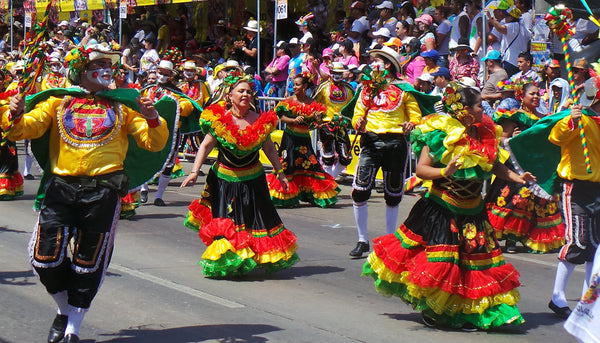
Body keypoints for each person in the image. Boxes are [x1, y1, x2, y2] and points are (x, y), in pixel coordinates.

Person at [1, 45, 171, 343]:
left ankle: (73, 327)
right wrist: (15, 113)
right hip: (61, 188)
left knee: (88, 260)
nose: (107, 68)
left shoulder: (123, 106)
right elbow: (23, 130)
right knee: (44, 257)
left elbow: (153, 143)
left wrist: (153, 116)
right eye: (99, 63)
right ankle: (64, 308)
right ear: (81, 70)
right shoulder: (58, 102)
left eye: (109, 64)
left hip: (103, 191)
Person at [363, 83, 533, 331]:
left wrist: (518, 177)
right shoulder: (440, 132)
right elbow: (422, 169)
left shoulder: (485, 131)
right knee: (446, 263)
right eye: (478, 105)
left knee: (473, 264)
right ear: (464, 109)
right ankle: (437, 308)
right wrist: (446, 170)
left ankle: (470, 311)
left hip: (473, 210)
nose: (482, 108)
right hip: (442, 207)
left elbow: (494, 164)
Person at [180, 74, 299, 277]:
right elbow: (206, 146)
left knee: (254, 219)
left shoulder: (260, 120)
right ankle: (229, 260)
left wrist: (281, 173)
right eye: (240, 91)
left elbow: (269, 149)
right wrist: (194, 171)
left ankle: (248, 257)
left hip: (253, 180)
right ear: (229, 95)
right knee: (228, 220)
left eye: (248, 91)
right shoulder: (219, 119)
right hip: (224, 180)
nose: (245, 95)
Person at [506, 67, 600, 320]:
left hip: (598, 188)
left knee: (597, 246)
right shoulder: (576, 118)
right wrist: (573, 120)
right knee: (578, 242)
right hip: (577, 186)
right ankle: (558, 297)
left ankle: (587, 300)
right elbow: (556, 137)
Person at [349, 46, 438, 257]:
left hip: (396, 143)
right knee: (360, 190)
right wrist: (358, 122)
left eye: (376, 60)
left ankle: (389, 242)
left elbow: (415, 117)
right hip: (371, 141)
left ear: (387, 65)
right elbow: (356, 116)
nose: (372, 65)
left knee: (393, 194)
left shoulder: (405, 90)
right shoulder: (365, 89)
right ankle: (362, 240)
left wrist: (410, 124)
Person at [485, 82, 565, 254]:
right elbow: (501, 139)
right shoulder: (515, 117)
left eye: (538, 94)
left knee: (537, 204)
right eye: (532, 94)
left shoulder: (544, 118)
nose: (536, 97)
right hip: (516, 167)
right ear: (522, 96)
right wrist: (515, 139)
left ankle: (530, 238)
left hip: (537, 168)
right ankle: (510, 239)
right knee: (517, 201)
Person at [266, 73, 339, 208]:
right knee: (288, 165)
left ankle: (312, 195)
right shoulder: (289, 101)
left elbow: (316, 123)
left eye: (298, 85)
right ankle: (286, 196)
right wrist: (293, 120)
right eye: (294, 85)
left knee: (311, 165)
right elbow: (280, 116)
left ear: (305, 86)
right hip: (290, 139)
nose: (295, 87)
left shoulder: (312, 103)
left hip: (304, 140)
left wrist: (317, 119)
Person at [140, 59, 201, 206]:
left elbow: (188, 106)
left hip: (171, 131)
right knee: (145, 157)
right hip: (149, 128)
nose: (162, 76)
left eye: (165, 73)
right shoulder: (148, 89)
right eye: (160, 72)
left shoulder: (176, 91)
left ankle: (159, 196)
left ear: (170, 75)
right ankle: (143, 189)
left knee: (168, 163)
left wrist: (176, 106)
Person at [313, 62, 355, 178]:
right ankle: (328, 182)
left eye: (340, 73)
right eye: (335, 73)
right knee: (328, 156)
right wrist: (316, 118)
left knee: (346, 157)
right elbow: (313, 102)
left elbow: (355, 105)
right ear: (330, 72)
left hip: (342, 125)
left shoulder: (349, 89)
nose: (337, 75)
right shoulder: (323, 87)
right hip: (326, 124)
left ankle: (331, 178)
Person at [485, 5, 531, 78]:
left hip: (510, 60)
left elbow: (500, 28)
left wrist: (490, 18)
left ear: (512, 17)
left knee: (506, 83)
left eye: (507, 16)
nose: (505, 17)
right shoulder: (523, 27)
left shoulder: (512, 26)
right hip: (520, 60)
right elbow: (529, 41)